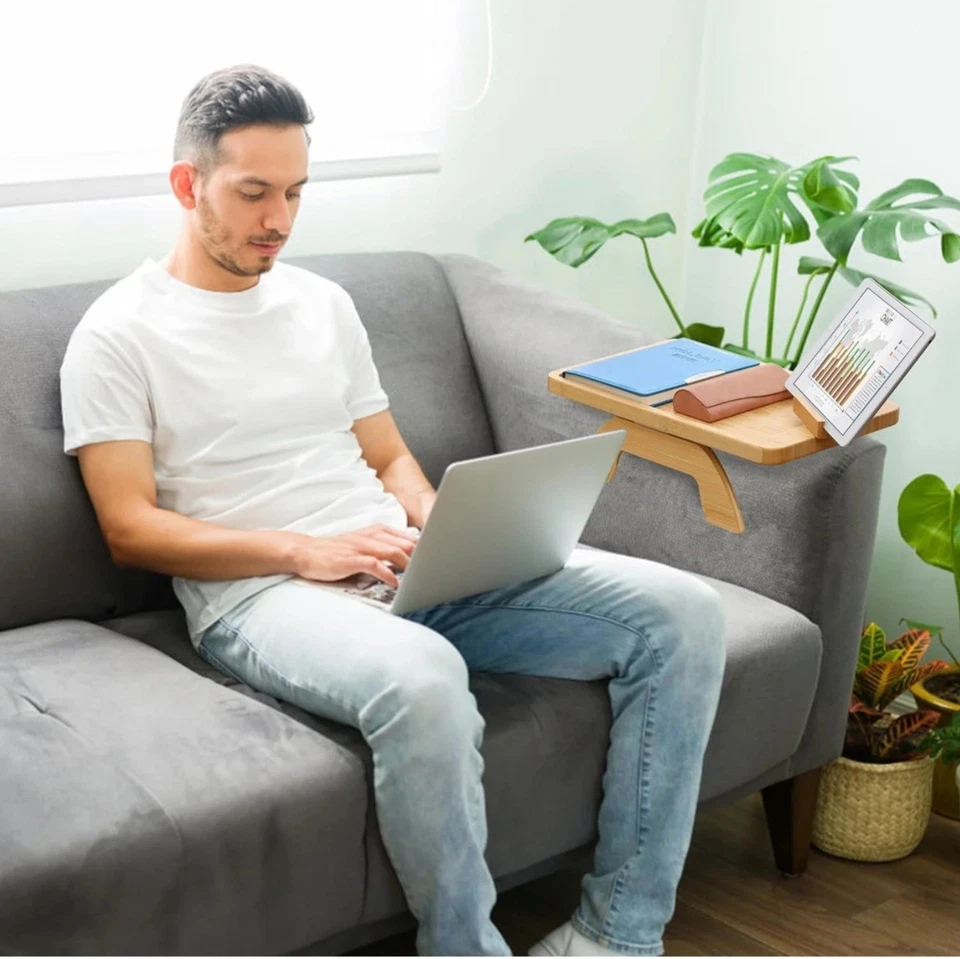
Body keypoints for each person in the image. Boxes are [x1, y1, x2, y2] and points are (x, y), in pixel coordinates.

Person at [58, 64, 727, 958]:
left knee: (685, 614)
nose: (279, 219)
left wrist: (438, 520)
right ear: (187, 184)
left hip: (398, 558)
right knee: (423, 678)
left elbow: (387, 455)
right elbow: (128, 527)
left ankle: (615, 936)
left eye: (296, 191)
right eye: (254, 192)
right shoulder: (117, 333)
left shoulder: (323, 304)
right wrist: (305, 551)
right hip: (260, 593)